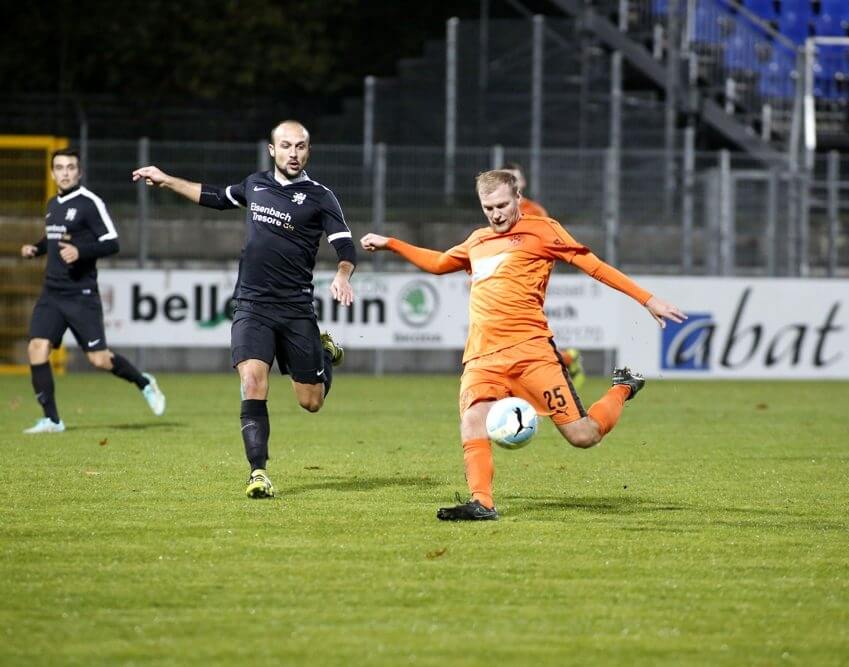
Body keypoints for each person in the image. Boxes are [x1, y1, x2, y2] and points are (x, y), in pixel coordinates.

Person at [361, 170, 686, 521]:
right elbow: (439, 263)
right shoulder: (477, 241)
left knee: (583, 435)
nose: (496, 214)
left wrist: (647, 299)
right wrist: (391, 243)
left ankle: (623, 386)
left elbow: (594, 267)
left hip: (531, 354)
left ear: (518, 199)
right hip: (482, 357)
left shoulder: (542, 230)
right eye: (488, 208)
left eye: (502, 205)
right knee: (473, 420)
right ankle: (482, 503)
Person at [132, 120, 356, 499]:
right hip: (252, 305)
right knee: (252, 381)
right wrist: (167, 180)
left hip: (296, 309)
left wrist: (343, 274)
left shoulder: (320, 196)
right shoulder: (255, 184)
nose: (293, 153)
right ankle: (258, 472)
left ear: (308, 150)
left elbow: (345, 246)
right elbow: (215, 196)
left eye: (300, 146)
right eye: (286, 146)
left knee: (311, 402)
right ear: (272, 150)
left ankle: (322, 352)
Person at [19, 149, 166, 434]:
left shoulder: (89, 202)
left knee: (99, 359)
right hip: (52, 293)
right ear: (52, 173)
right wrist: (36, 249)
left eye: (70, 167)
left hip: (80, 295)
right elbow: (53, 238)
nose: (65, 172)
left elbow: (112, 242)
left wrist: (80, 251)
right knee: (37, 348)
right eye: (59, 167)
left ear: (79, 172)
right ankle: (52, 420)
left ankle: (144, 382)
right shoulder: (53, 204)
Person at [500, 161, 585, 387]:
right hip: (503, 284)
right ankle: (566, 360)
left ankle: (561, 363)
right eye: (504, 178)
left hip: (526, 284)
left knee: (522, 337)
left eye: (513, 178)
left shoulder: (535, 212)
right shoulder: (498, 211)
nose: (509, 183)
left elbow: (544, 248)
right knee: (519, 339)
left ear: (523, 182)